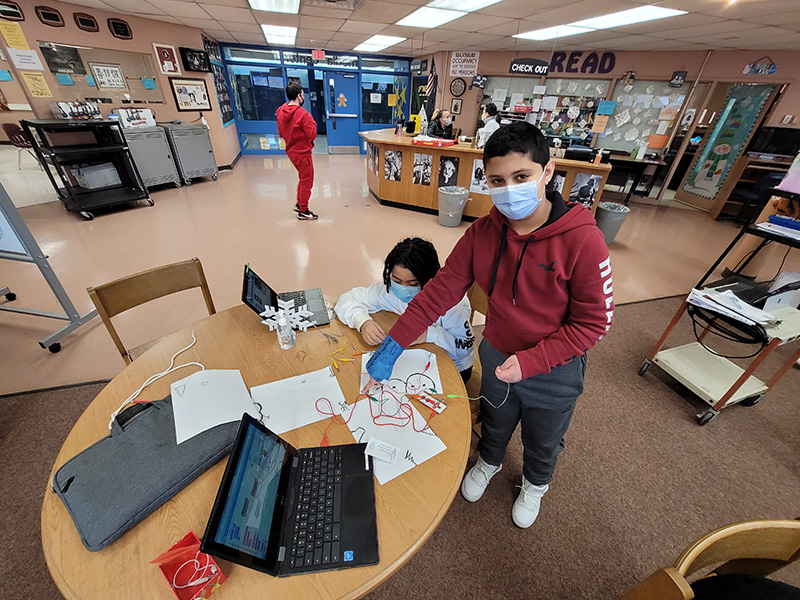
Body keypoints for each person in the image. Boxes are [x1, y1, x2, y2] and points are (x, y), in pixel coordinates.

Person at [362, 121, 613, 529]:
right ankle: (490, 462)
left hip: (555, 370)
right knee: (495, 420)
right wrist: (393, 345)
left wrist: (533, 362)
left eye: (521, 177)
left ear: (547, 173)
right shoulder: (482, 232)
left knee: (542, 437)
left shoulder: (583, 240)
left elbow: (594, 324)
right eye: (497, 180)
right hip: (496, 355)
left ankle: (535, 484)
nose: (508, 189)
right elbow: (436, 295)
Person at [336, 237, 476, 382]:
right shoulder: (389, 291)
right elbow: (347, 299)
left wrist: (431, 334)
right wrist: (363, 322)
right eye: (397, 281)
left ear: (429, 278)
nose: (403, 288)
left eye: (412, 283)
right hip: (413, 359)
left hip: (454, 367)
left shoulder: (454, 305)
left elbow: (464, 349)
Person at [277, 81, 318, 221]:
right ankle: (303, 211)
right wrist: (313, 124)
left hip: (291, 151)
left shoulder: (281, 110)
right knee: (307, 181)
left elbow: (281, 132)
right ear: (299, 95)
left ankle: (300, 202)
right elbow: (312, 135)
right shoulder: (303, 115)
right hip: (303, 153)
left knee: (302, 179)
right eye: (303, 94)